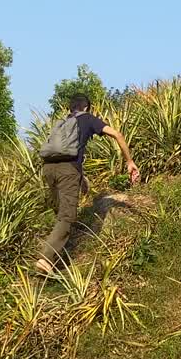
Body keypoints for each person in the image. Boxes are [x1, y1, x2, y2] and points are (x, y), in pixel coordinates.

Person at [35, 94, 140, 274]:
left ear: (71, 108)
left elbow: (68, 150)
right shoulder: (88, 119)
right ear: (86, 108)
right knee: (67, 216)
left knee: (61, 211)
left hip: (48, 169)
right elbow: (117, 134)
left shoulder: (62, 122)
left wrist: (81, 177)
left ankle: (58, 248)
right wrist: (129, 161)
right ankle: (46, 258)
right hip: (68, 170)